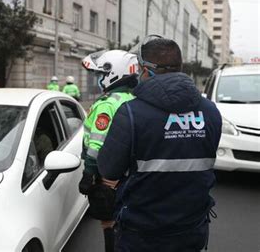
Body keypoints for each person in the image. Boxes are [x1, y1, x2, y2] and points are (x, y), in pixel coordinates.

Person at [97, 36, 222, 251]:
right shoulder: (211, 112)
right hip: (192, 228)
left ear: (146, 70)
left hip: (141, 232)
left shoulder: (131, 113)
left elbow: (109, 169)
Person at [79, 50, 139, 252]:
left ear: (112, 74)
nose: (99, 79)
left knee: (108, 220)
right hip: (127, 170)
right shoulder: (132, 100)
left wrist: (89, 173)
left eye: (101, 75)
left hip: (107, 172)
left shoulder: (107, 104)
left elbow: (97, 142)